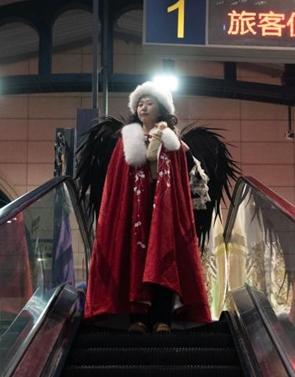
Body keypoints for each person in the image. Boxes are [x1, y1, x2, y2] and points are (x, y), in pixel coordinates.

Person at [83, 81, 211, 333]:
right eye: (140, 103)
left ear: (161, 108)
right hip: (133, 211)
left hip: (165, 210)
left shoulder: (173, 140)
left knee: (164, 258)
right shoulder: (126, 139)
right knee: (135, 258)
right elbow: (116, 181)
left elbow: (181, 179)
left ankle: (162, 318)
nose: (143, 107)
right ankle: (137, 319)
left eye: (149, 103)